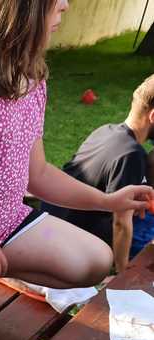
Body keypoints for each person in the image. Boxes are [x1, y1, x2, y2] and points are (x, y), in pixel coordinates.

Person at [0, 0, 153, 314]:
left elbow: (37, 174)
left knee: (96, 260)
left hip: (3, 224)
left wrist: (107, 201)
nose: (65, 5)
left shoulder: (31, 78)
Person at [43, 75, 154, 272]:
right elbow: (121, 224)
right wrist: (122, 272)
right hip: (72, 240)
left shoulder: (106, 131)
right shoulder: (131, 155)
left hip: (50, 225)